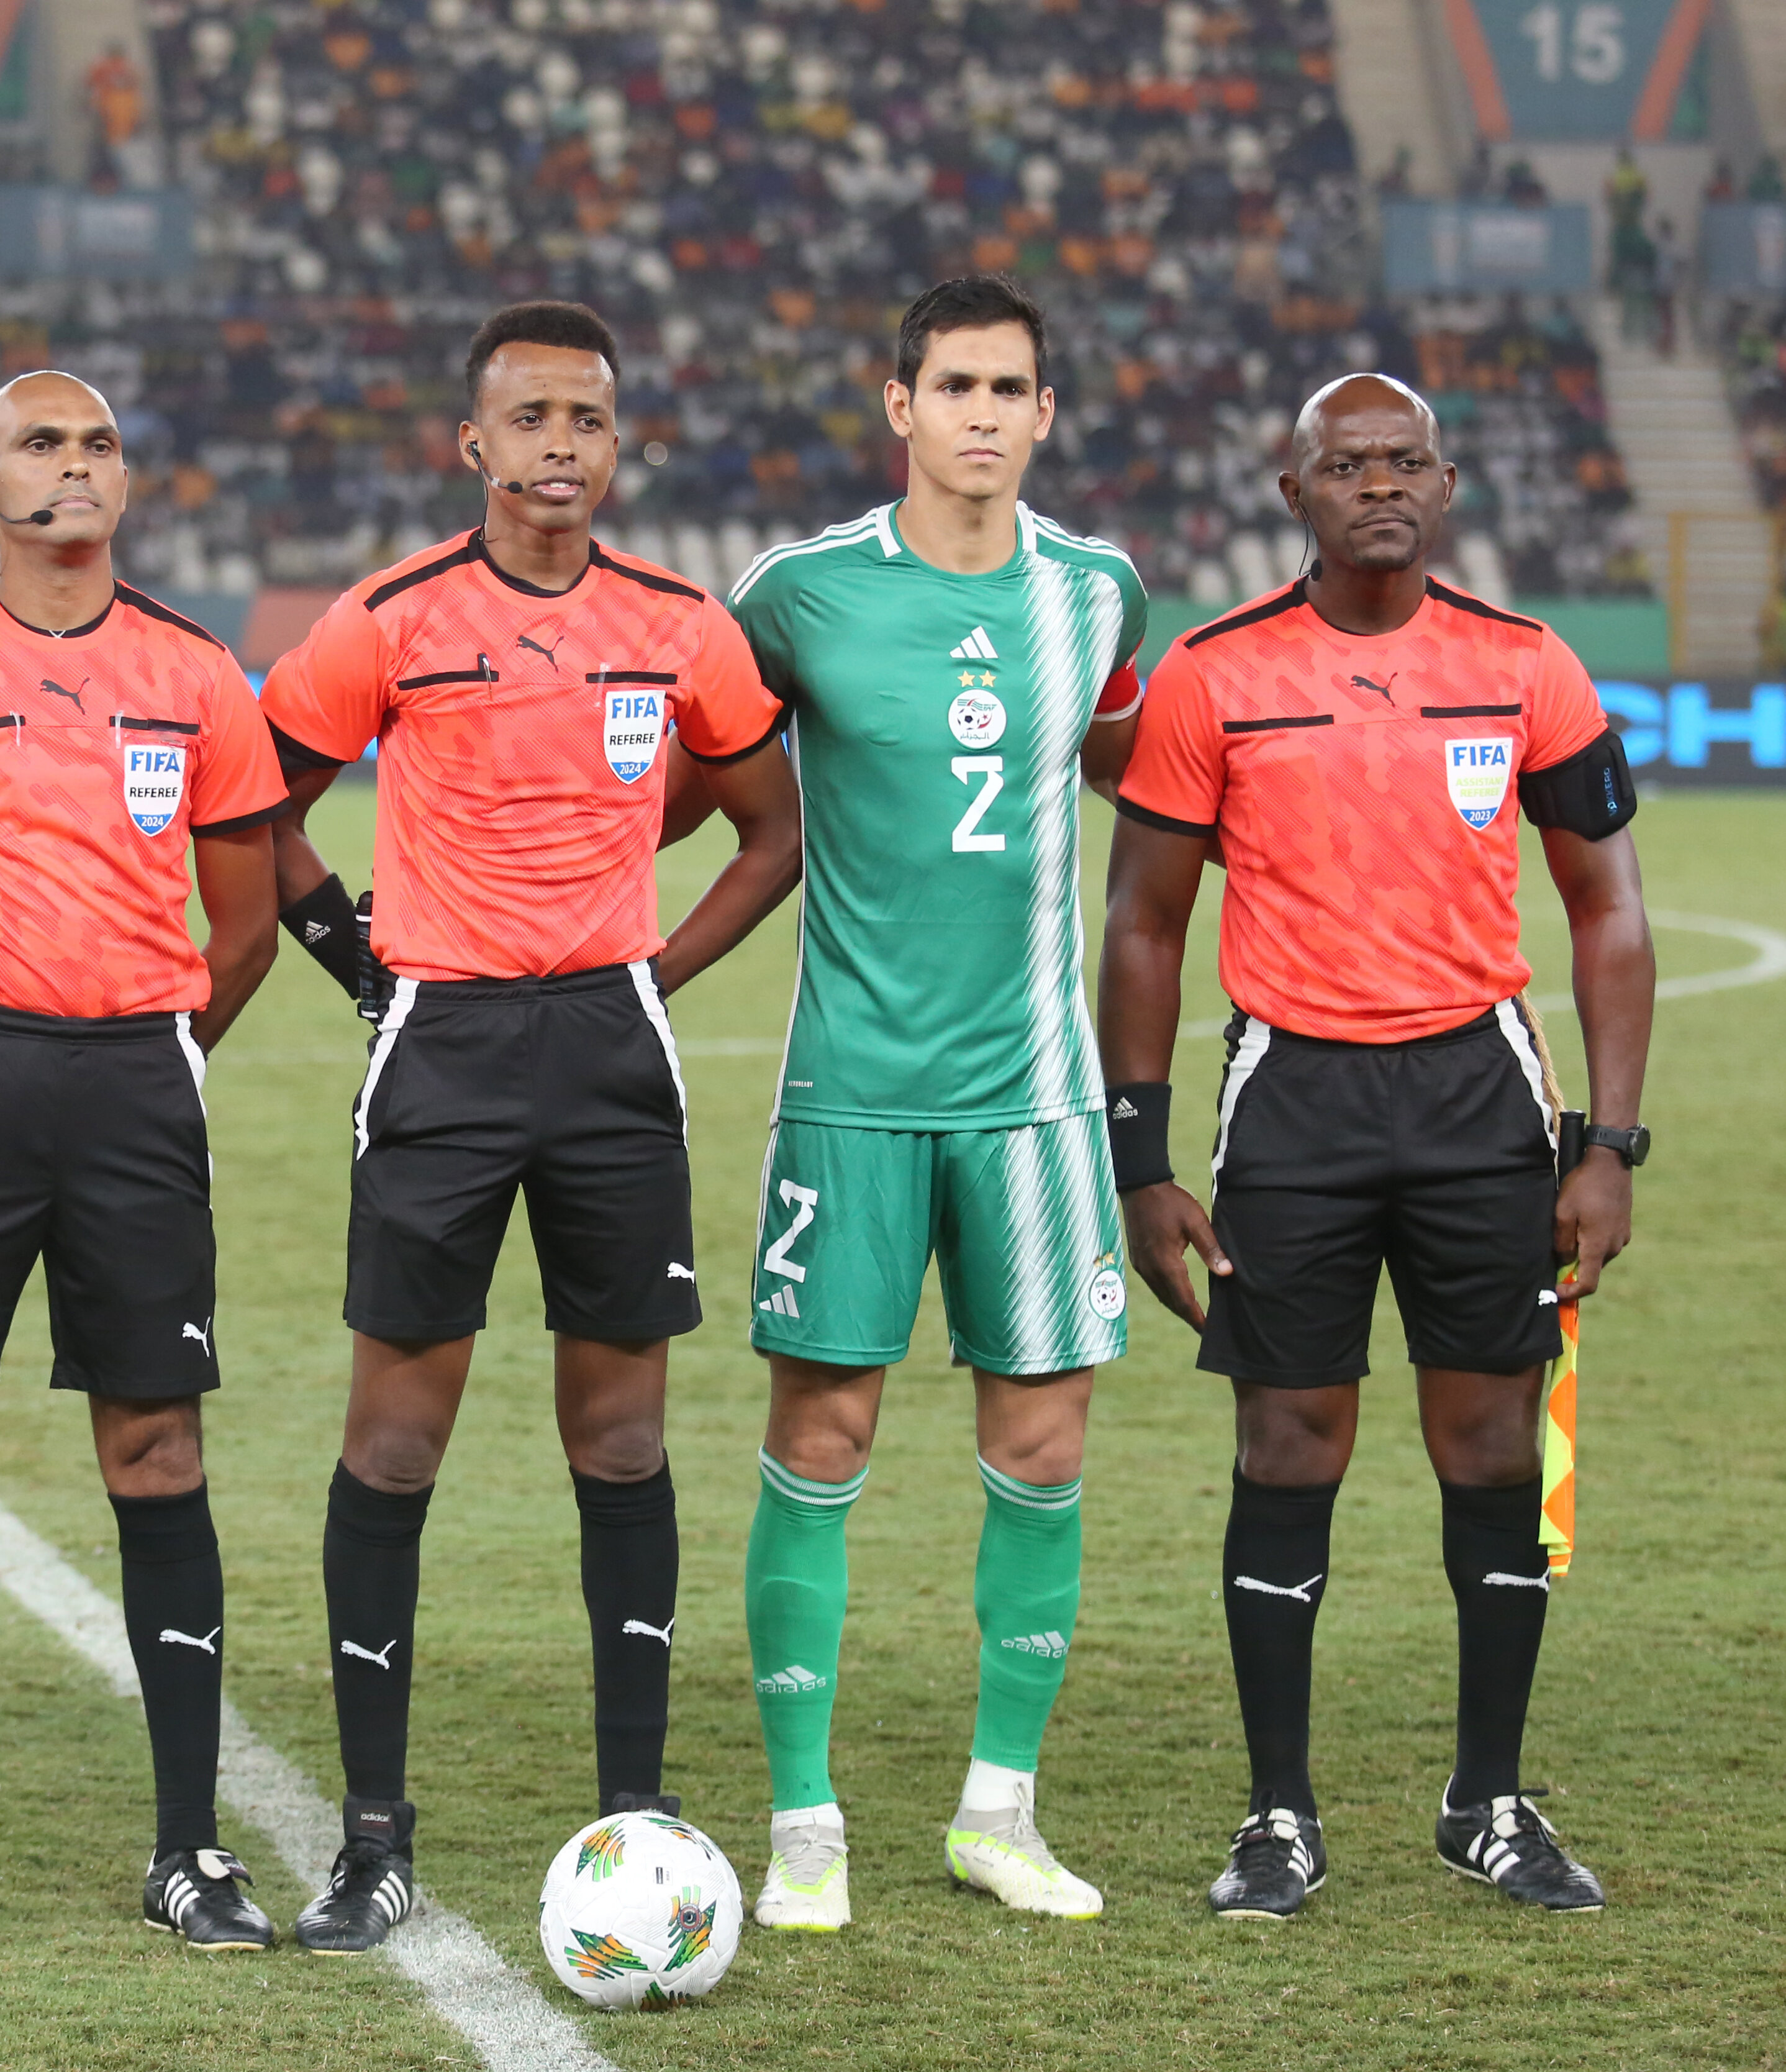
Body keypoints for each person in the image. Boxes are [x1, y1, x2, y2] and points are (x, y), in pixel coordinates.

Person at [259, 299, 804, 1955]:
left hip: (608, 1061)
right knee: (393, 1446)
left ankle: (637, 1815)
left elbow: (770, 830)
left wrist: (654, 972)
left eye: (588, 420)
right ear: (472, 443)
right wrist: (360, 965)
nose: (560, 446)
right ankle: (372, 1837)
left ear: (616, 444)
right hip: (441, 1048)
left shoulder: (681, 627)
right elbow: (253, 809)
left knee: (621, 1444)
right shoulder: (389, 618)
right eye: (531, 418)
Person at [1097, 373, 1651, 1920]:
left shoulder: (1526, 665)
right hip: (1295, 1103)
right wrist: (1142, 1161)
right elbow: (1142, 924)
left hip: (1481, 1099)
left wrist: (1611, 1144)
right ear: (1295, 494)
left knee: (1492, 1446)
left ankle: (1490, 1801)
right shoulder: (1215, 673)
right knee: (1289, 1447)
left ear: (1449, 484)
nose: (1381, 485)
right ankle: (1278, 1815)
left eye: (1407, 461)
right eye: (1348, 466)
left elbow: (1608, 906)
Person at [680, 274, 1147, 1932]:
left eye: (1009, 389)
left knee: (1043, 1445)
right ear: (899, 405)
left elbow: (1143, 785)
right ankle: (803, 1825)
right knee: (821, 1437)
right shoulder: (797, 594)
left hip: (1037, 1103)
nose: (981, 414)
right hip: (852, 1095)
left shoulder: (1097, 593)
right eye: (954, 385)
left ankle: (998, 1815)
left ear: (1044, 413)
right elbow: (693, 782)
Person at [0, 370, 284, 1960]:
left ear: (126, 484)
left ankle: (189, 1850)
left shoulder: (199, 675)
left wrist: (162, 1058)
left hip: (139, 1082)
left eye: (96, 446)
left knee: (156, 1446)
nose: (71, 468)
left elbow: (241, 921)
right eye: (39, 445)